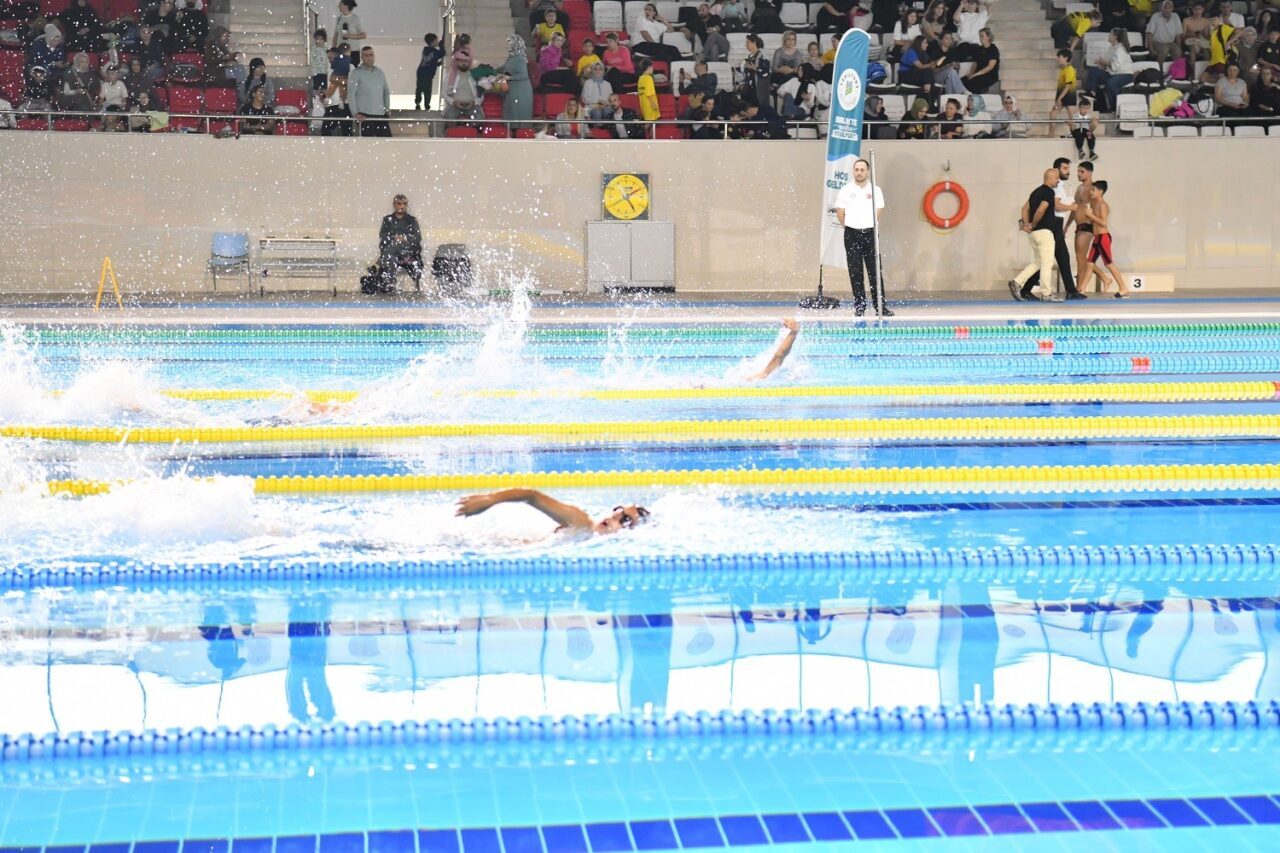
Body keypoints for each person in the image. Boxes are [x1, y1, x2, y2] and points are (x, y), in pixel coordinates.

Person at [1009, 168, 1079, 302]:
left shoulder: (1035, 192)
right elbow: (1041, 209)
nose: (1058, 180)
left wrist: (1027, 224)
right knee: (1047, 263)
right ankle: (1046, 293)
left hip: (1033, 234)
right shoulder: (1048, 192)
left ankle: (1017, 282)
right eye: (1056, 178)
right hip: (1044, 232)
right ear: (1050, 178)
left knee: (1039, 262)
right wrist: (1034, 223)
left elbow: (1024, 209)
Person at [456, 489, 650, 536]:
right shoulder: (582, 522)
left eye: (624, 519)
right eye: (618, 511)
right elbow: (531, 496)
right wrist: (491, 499)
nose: (613, 517)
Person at [835, 159, 892, 317]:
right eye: (857, 170)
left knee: (875, 271)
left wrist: (869, 224)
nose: (859, 172)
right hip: (852, 234)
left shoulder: (875, 190)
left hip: (870, 234)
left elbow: (879, 209)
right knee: (855, 271)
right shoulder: (846, 190)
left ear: (867, 171)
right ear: (853, 171)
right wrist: (851, 225)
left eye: (862, 170)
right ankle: (859, 305)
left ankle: (880, 306)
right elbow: (840, 212)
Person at [1077, 181, 1132, 298]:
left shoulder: (1102, 205)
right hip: (1097, 238)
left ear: (1100, 191)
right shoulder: (1095, 204)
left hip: (1103, 237)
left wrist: (1091, 215)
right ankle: (1082, 290)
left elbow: (1103, 222)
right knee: (1090, 263)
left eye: (1093, 190)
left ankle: (1123, 288)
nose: (1091, 192)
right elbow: (1095, 221)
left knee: (1109, 263)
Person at [374, 194, 423, 293]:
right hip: (393, 253)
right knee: (393, 256)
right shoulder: (387, 219)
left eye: (404, 204)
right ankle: (392, 283)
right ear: (394, 205)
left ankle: (381, 261)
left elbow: (418, 237)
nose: (402, 206)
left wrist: (404, 238)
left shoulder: (412, 220)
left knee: (396, 245)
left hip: (407, 251)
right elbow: (383, 235)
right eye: (399, 204)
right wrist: (394, 237)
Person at [1084, 28, 1134, 112]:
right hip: (1113, 73)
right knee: (1094, 71)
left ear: (1115, 37)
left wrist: (1105, 62)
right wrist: (1102, 64)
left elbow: (1115, 66)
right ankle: (1091, 93)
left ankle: (1115, 107)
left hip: (1125, 75)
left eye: (1110, 34)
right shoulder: (1111, 47)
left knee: (1111, 83)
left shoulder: (1120, 49)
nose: (1108, 36)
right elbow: (1109, 64)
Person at [348, 45, 390, 136]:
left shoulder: (380, 72)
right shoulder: (356, 73)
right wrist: (355, 113)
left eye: (371, 55)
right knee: (368, 146)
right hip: (364, 116)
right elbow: (351, 93)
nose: (369, 57)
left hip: (381, 115)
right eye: (366, 55)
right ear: (362, 57)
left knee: (387, 145)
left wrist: (387, 109)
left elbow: (386, 92)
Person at [1070, 160, 1099, 295]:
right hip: (1079, 226)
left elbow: (1097, 208)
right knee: (1081, 257)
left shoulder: (1093, 189)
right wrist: (1066, 226)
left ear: (1090, 172)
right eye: (1078, 171)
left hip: (1087, 226)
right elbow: (1074, 208)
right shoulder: (1079, 188)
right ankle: (1104, 278)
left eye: (1082, 172)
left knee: (1081, 257)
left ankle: (1079, 288)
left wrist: (1096, 227)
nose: (1078, 174)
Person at [502, 34, 534, 124]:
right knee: (512, 113)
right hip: (514, 90)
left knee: (519, 114)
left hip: (521, 91)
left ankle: (520, 133)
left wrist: (510, 77)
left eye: (510, 44)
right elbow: (505, 69)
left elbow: (524, 74)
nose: (508, 46)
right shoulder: (511, 58)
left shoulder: (520, 58)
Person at [1048, 49, 1077, 136]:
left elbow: (1068, 85)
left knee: (1071, 118)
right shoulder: (1063, 69)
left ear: (1066, 58)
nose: (1058, 59)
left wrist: (1059, 98)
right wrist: (1058, 98)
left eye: (1059, 57)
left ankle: (1075, 136)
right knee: (1052, 115)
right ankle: (1050, 136)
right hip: (1062, 97)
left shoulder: (1069, 69)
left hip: (1068, 97)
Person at [963, 28, 999, 94]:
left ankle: (979, 97)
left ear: (988, 37)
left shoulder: (993, 49)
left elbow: (990, 66)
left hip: (989, 75)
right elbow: (975, 63)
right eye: (979, 36)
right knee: (963, 80)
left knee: (972, 83)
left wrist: (976, 74)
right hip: (978, 74)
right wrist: (971, 72)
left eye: (982, 36)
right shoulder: (979, 49)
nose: (980, 38)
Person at [334, 0, 367, 67]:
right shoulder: (339, 18)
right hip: (341, 51)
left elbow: (364, 35)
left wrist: (349, 35)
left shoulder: (356, 18)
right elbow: (336, 34)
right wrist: (333, 49)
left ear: (346, 6)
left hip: (353, 52)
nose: (338, 6)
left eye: (340, 4)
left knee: (352, 73)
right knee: (341, 73)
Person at [415, 33, 444, 109]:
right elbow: (442, 53)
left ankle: (418, 102)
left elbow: (430, 62)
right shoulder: (434, 51)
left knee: (420, 88)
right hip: (427, 75)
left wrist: (437, 64)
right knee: (427, 90)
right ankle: (426, 105)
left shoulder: (426, 49)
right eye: (436, 40)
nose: (437, 42)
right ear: (432, 42)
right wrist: (441, 45)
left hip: (421, 72)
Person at [740, 34, 771, 105]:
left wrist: (755, 68)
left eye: (748, 42)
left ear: (754, 43)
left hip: (758, 90)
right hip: (748, 88)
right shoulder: (750, 57)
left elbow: (766, 73)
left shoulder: (763, 57)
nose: (746, 45)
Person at [636, 58, 660, 124]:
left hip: (643, 104)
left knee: (650, 123)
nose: (653, 69)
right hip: (650, 105)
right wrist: (653, 104)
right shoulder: (649, 78)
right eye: (652, 67)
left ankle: (649, 134)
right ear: (649, 67)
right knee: (650, 122)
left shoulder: (640, 78)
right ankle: (642, 133)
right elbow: (649, 93)